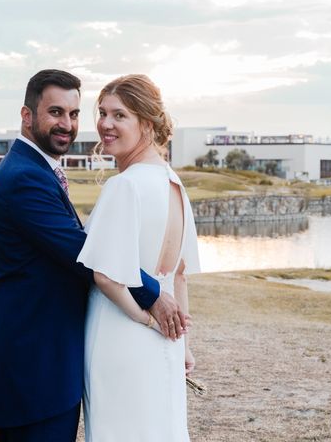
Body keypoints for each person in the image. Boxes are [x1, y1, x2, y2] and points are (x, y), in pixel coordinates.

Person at [0, 69, 187, 442]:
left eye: (73, 114)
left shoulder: (41, 171)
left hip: (49, 361)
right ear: (26, 116)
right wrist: (153, 294)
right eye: (55, 112)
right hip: (32, 363)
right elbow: (85, 253)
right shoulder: (24, 177)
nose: (66, 124)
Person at [77, 74, 201, 441]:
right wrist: (183, 345)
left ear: (146, 123)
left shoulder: (124, 185)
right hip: (168, 341)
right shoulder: (174, 184)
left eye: (120, 115)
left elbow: (106, 277)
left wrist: (145, 320)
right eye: (102, 113)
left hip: (121, 334)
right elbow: (179, 275)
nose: (105, 124)